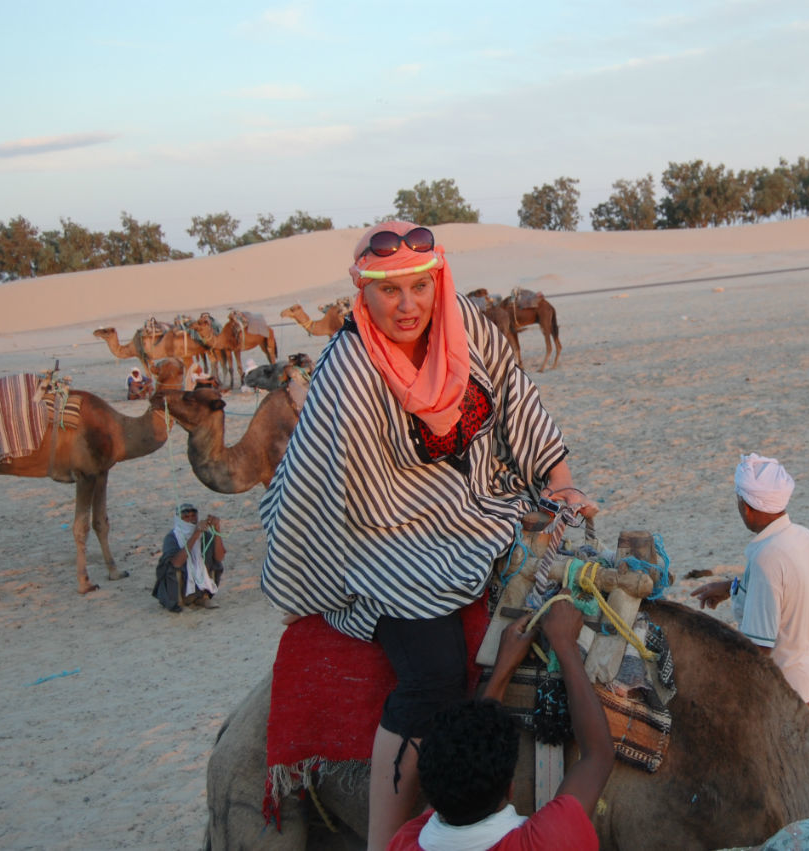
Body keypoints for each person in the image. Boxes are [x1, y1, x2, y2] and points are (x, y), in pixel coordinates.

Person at [258, 221, 594, 850]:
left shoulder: (465, 322)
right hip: (379, 539)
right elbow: (362, 495)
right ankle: (386, 841)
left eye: (420, 286)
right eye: (390, 291)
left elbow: (517, 403)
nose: (408, 304)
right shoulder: (349, 369)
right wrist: (467, 515)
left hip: (476, 508)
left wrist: (560, 482)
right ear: (366, 293)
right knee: (434, 677)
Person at [387, 599, 612, 850]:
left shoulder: (404, 842)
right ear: (510, 788)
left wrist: (503, 666)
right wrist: (565, 644)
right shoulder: (547, 842)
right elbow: (597, 756)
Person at [691, 453, 809, 703]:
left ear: (747, 506)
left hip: (781, 692)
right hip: (806, 680)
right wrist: (730, 588)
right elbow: (785, 595)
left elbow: (760, 647)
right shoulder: (803, 537)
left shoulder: (768, 558)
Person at [151, 503, 225, 613]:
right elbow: (176, 562)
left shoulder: (204, 535)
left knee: (212, 562)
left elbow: (219, 557)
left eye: (193, 516)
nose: (191, 520)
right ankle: (179, 603)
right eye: (186, 517)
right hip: (177, 584)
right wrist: (195, 535)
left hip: (197, 584)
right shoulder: (172, 537)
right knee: (175, 568)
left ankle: (203, 597)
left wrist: (217, 530)